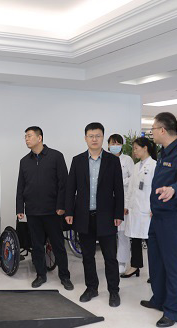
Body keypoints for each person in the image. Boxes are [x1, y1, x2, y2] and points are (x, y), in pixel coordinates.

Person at [140, 112, 177, 328]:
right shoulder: (164, 152)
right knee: (156, 260)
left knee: (174, 264)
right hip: (159, 214)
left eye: (153, 129)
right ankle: (159, 299)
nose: (151, 133)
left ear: (162, 130)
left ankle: (173, 311)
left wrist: (174, 189)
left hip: (175, 215)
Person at [65, 122, 124, 307]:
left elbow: (119, 190)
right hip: (84, 216)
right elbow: (70, 189)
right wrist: (69, 211)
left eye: (98, 136)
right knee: (88, 256)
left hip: (106, 216)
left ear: (103, 138)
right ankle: (91, 288)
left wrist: (118, 214)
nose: (94, 139)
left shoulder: (113, 161)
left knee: (110, 257)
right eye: (91, 136)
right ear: (85, 138)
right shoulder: (77, 160)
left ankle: (114, 291)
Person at [16, 126, 73, 291]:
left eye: (29, 136)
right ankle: (41, 275)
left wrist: (62, 206)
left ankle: (65, 276)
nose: (26, 139)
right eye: (25, 137)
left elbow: (64, 184)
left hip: (53, 211)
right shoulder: (24, 161)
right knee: (37, 246)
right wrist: (20, 208)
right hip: (33, 211)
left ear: (39, 138)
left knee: (58, 245)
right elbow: (21, 186)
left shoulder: (56, 156)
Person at [122, 137, 157, 278]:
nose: (134, 151)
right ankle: (135, 266)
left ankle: (155, 272)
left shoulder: (155, 166)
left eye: (136, 148)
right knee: (135, 239)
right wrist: (126, 205)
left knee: (151, 242)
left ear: (145, 148)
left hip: (148, 210)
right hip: (134, 209)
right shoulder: (136, 167)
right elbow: (130, 189)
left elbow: (156, 190)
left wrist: (155, 208)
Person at [107, 134, 135, 274]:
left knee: (123, 234)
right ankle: (111, 261)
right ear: (108, 145)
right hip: (108, 201)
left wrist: (119, 182)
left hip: (123, 199)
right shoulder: (105, 159)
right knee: (109, 234)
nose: (115, 146)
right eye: (113, 143)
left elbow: (133, 177)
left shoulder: (127, 160)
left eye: (118, 143)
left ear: (122, 145)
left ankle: (122, 262)